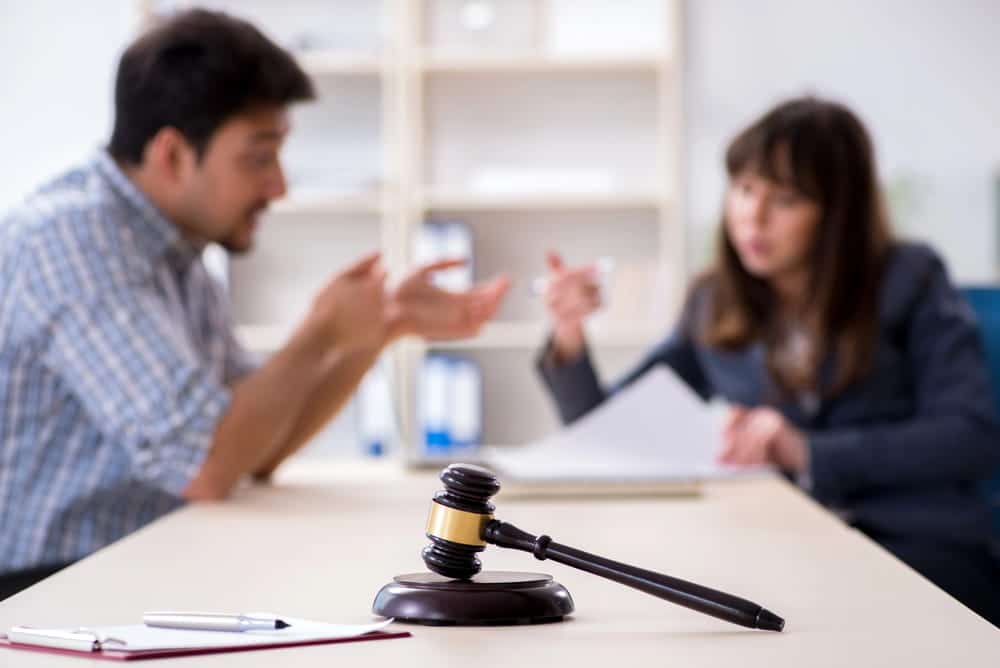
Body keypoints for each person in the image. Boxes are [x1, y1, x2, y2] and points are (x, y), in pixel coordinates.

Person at [0, 9, 509, 599]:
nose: (279, 186)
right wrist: (320, 333)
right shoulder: (71, 241)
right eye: (258, 157)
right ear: (171, 155)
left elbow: (256, 448)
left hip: (129, 569)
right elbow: (209, 468)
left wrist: (373, 331)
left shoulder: (177, 252)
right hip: (38, 593)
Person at [537, 97, 1000, 625]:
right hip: (786, 549)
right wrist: (570, 333)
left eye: (785, 199)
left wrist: (804, 451)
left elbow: (970, 436)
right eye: (745, 188)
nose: (752, 217)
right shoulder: (714, 300)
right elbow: (606, 427)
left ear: (837, 213)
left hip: (920, 549)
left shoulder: (909, 279)